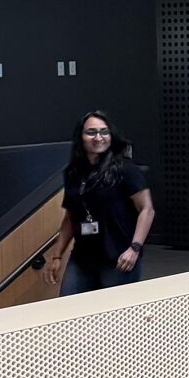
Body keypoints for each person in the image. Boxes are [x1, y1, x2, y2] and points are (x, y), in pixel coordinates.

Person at [45, 109, 154, 294]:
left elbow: (147, 209)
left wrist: (134, 248)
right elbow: (70, 217)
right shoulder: (73, 172)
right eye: (91, 132)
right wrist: (56, 256)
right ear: (81, 137)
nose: (98, 137)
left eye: (104, 132)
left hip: (119, 258)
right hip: (82, 258)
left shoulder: (125, 169)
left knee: (113, 318)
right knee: (69, 310)